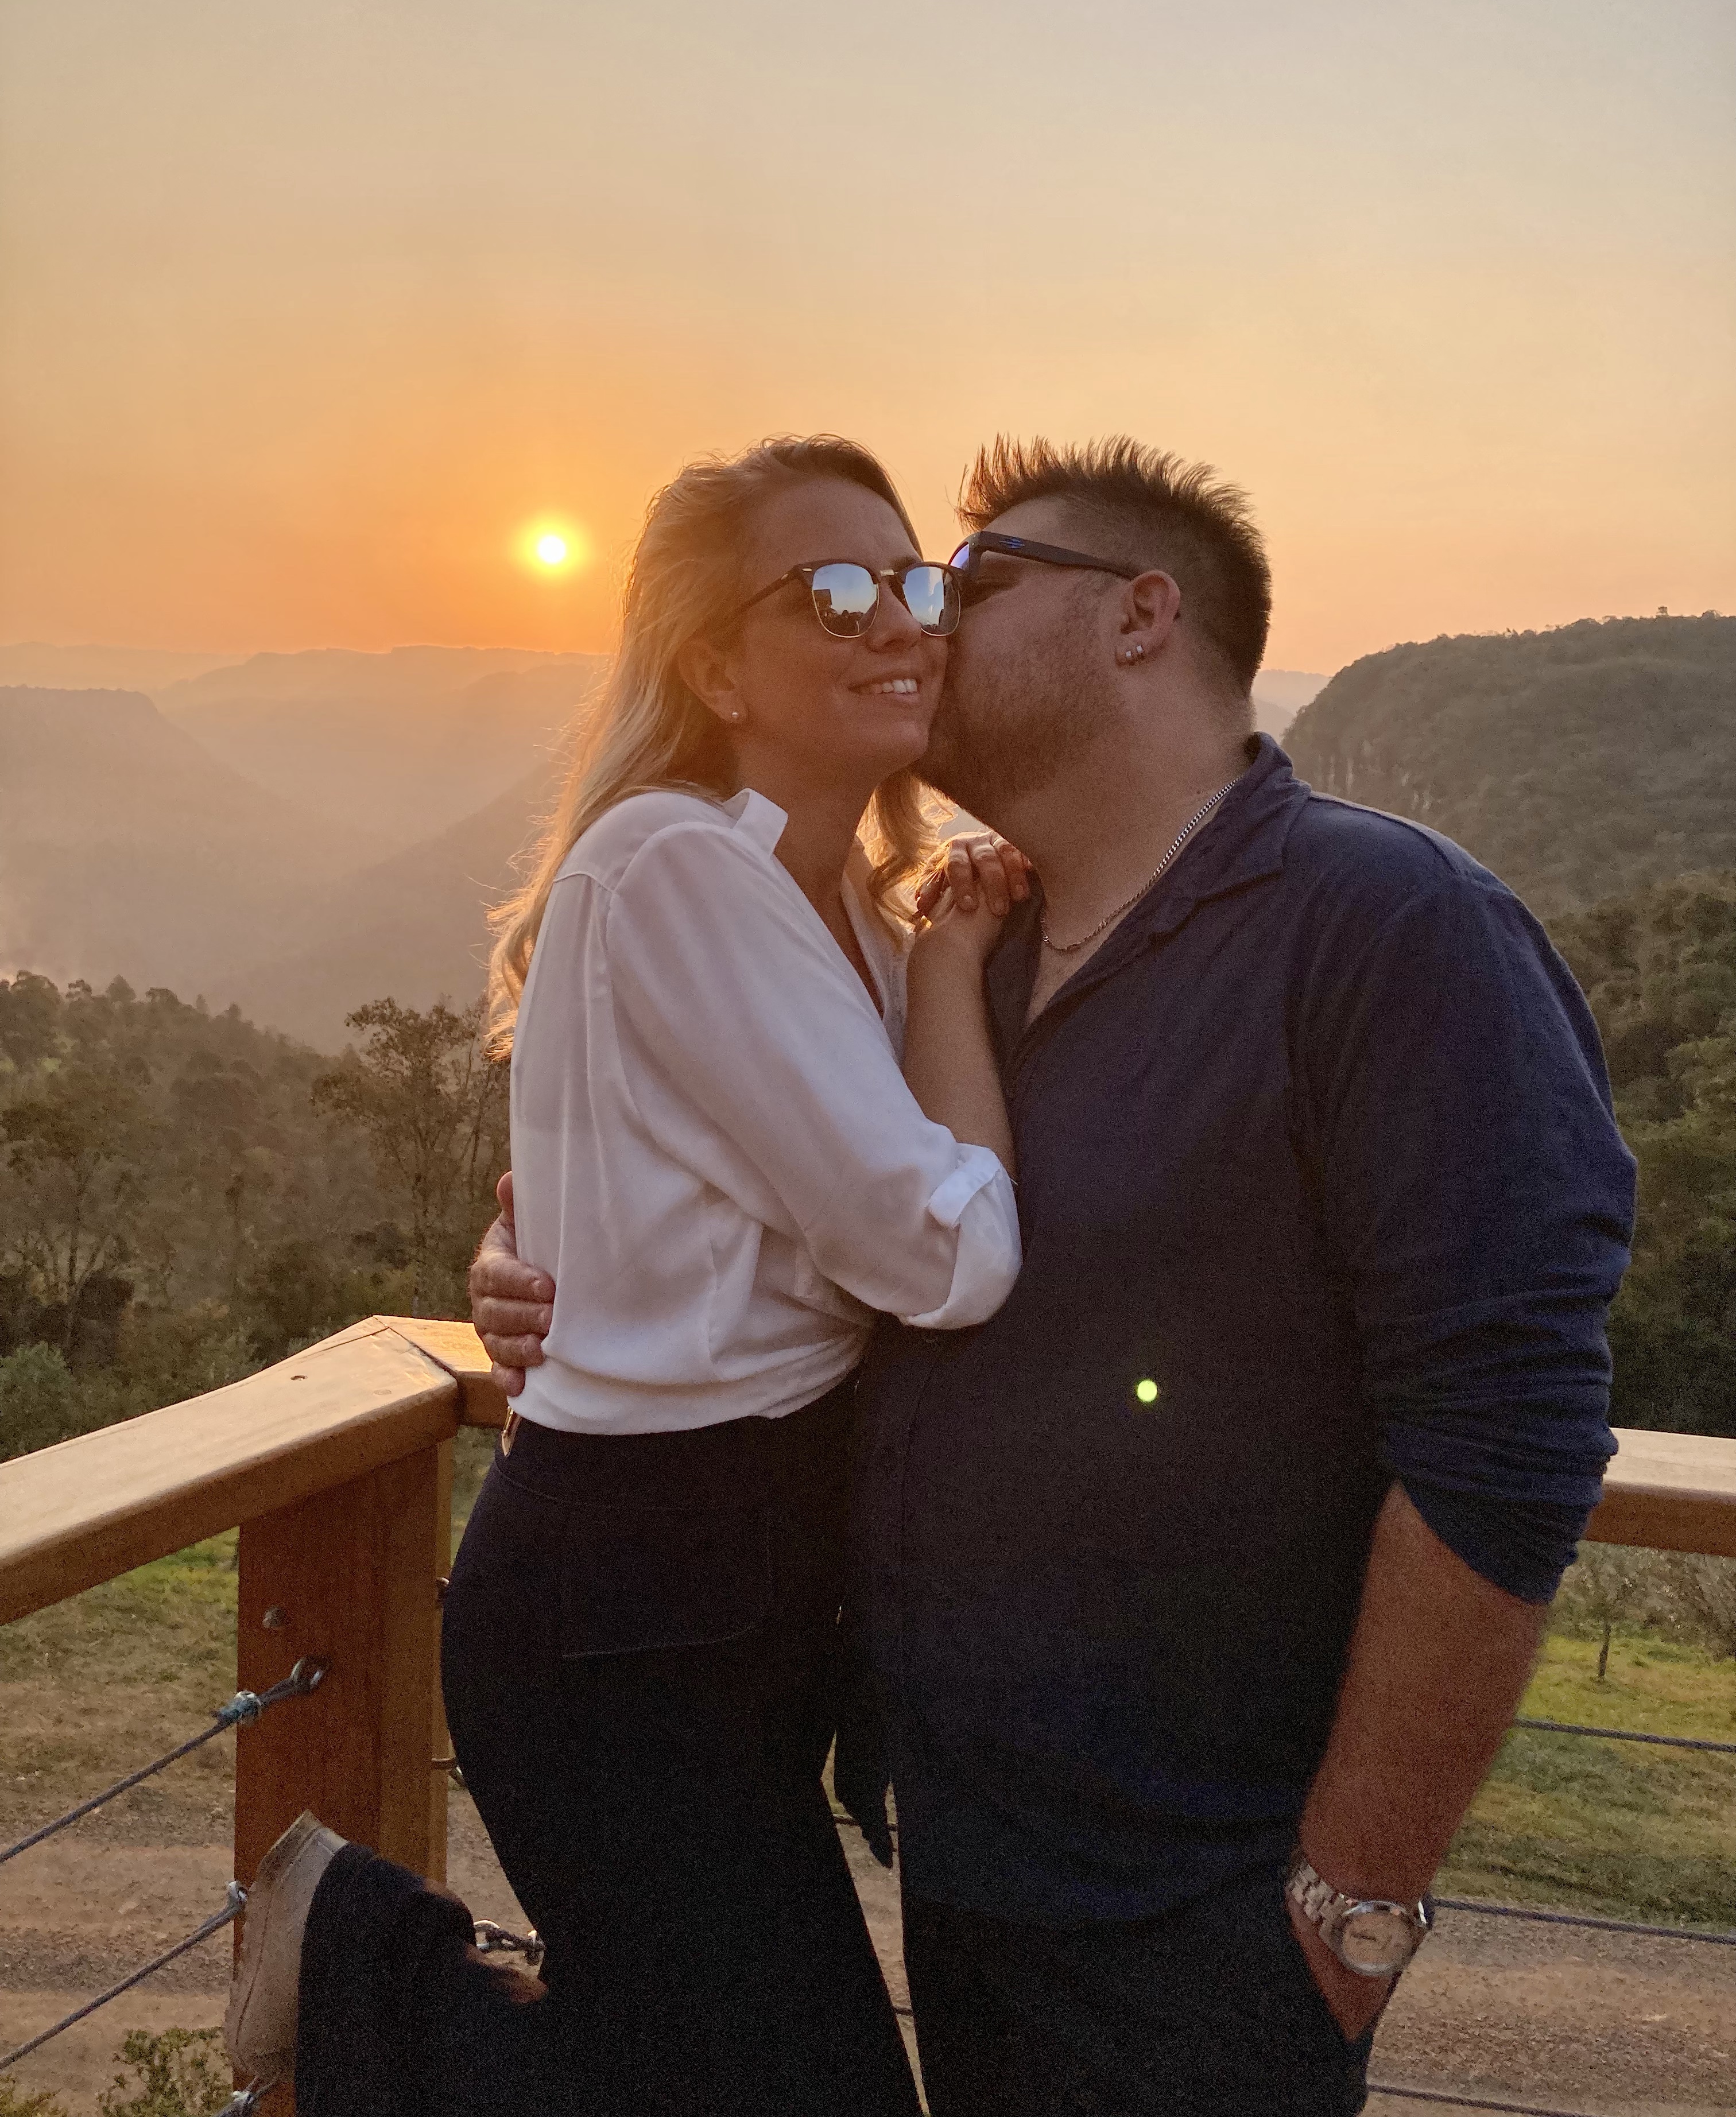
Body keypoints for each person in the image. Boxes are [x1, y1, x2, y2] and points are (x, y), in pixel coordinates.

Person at [473, 435, 1637, 2115]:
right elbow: (740, 1180)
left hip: (1202, 1895)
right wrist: (542, 1258)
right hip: (962, 1852)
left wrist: (1352, 1903)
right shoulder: (966, 949)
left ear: (1141, 616)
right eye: (885, 587)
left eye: (970, 582)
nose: (925, 621)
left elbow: (1509, 1438)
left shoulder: (1388, 927)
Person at [224, 435, 1026, 2117]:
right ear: (716, 666)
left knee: (695, 2064)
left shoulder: (842, 903)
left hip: (734, 1584)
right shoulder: (680, 866)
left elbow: (688, 1212)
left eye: (916, 579)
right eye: (837, 591)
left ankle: (372, 1967)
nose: (902, 620)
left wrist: (531, 1256)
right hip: (630, 1603)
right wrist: (959, 980)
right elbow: (942, 1256)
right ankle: (367, 1968)